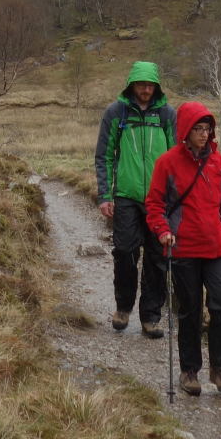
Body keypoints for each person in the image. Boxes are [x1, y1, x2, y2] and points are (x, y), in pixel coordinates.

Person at [146, 101, 221, 396]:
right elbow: (154, 205)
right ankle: (189, 371)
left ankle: (219, 367)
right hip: (183, 247)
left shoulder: (218, 161)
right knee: (189, 310)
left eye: (207, 128)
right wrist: (163, 231)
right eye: (198, 129)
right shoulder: (168, 162)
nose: (203, 134)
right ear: (185, 131)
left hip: (216, 247)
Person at [93, 61, 176, 336]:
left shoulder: (166, 115)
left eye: (150, 85)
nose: (145, 90)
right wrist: (105, 195)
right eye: (141, 85)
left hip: (159, 200)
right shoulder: (116, 112)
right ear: (131, 85)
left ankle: (151, 316)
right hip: (126, 197)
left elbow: (177, 160)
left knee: (157, 258)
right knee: (125, 254)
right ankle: (123, 308)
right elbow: (104, 156)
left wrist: (176, 200)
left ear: (157, 86)